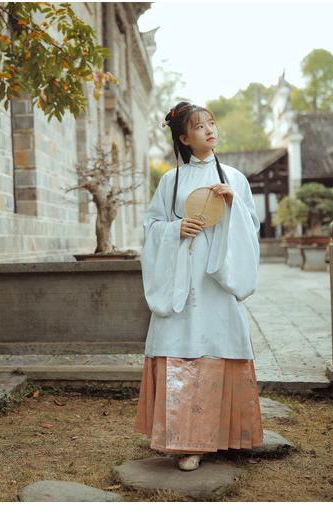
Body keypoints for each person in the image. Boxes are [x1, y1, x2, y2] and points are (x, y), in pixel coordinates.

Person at [134, 102, 264, 471]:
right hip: (181, 276)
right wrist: (176, 228)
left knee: (217, 345)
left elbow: (250, 228)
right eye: (198, 125)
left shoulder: (235, 178)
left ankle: (224, 438)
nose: (209, 129)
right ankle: (188, 442)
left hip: (216, 279)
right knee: (183, 346)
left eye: (211, 122)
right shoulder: (169, 181)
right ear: (183, 138)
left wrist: (232, 203)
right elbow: (151, 226)